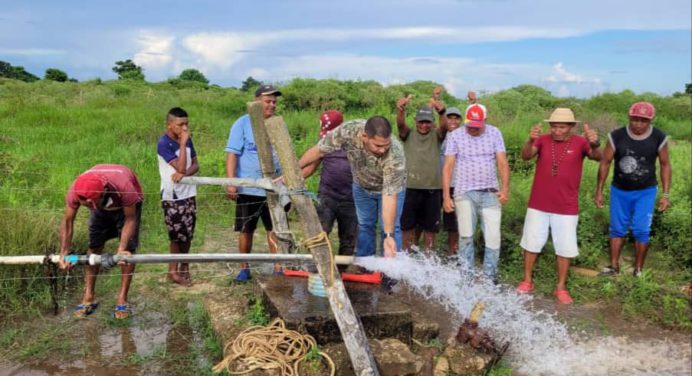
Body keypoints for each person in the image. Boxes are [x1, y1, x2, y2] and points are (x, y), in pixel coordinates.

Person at [516, 108, 601, 304]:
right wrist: (530, 140)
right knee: (531, 242)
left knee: (565, 247)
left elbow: (598, 157)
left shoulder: (580, 142)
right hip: (538, 203)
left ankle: (561, 287)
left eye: (562, 127)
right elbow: (526, 156)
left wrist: (595, 142)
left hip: (566, 205)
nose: (557, 130)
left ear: (571, 127)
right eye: (554, 126)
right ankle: (527, 280)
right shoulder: (542, 140)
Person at [299, 116, 406, 258]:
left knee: (391, 229)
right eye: (378, 146)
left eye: (386, 145)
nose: (382, 150)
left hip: (388, 189)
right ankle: (365, 265)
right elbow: (319, 150)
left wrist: (388, 235)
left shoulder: (395, 154)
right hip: (362, 186)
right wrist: (294, 169)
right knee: (365, 225)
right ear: (365, 136)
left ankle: (391, 272)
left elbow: (389, 197)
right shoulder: (348, 131)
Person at [595, 101, 671, 277]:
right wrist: (599, 190)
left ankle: (638, 270)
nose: (638, 124)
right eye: (635, 119)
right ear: (629, 117)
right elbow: (605, 162)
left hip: (646, 191)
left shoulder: (659, 137)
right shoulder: (617, 136)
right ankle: (614, 267)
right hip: (619, 190)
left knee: (641, 230)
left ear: (651, 120)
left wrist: (665, 194)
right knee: (617, 228)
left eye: (643, 121)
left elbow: (665, 165)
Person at [59, 164, 144, 319]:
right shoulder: (75, 191)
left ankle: (122, 299)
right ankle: (89, 297)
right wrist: (63, 252)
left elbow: (130, 219)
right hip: (101, 209)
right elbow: (67, 221)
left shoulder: (123, 186)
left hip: (127, 207)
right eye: (86, 205)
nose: (90, 207)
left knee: (126, 254)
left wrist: (121, 249)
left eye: (92, 202)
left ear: (104, 191)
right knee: (94, 247)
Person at [442, 104, 510, 281]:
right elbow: (448, 166)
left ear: (485, 121)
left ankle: (490, 278)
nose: (473, 129)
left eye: (477, 126)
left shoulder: (495, 133)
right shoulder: (456, 135)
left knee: (493, 237)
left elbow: (502, 162)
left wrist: (505, 189)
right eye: (470, 125)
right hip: (464, 193)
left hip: (490, 192)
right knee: (465, 235)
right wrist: (446, 196)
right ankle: (466, 277)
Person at [225, 84, 282, 282]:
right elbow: (232, 154)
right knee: (246, 229)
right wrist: (232, 182)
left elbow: (284, 155)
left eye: (274, 101)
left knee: (274, 229)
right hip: (248, 187)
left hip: (273, 188)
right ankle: (244, 268)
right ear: (257, 101)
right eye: (268, 101)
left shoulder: (277, 124)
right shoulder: (242, 123)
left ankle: (278, 267)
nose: (272, 105)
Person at [301, 110, 357, 263]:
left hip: (351, 199)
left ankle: (342, 272)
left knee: (348, 238)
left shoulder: (355, 142)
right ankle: (318, 267)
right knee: (320, 233)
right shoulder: (325, 143)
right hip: (327, 196)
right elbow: (311, 166)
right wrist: (291, 178)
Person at [397, 97, 447, 254]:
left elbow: (444, 127)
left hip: (432, 189)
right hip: (410, 188)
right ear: (415, 120)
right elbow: (400, 125)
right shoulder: (408, 134)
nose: (424, 125)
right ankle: (406, 256)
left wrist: (442, 112)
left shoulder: (436, 135)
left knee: (430, 227)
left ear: (432, 122)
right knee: (407, 226)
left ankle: (429, 259)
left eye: (427, 122)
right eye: (421, 122)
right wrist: (401, 110)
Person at [157, 107, 199, 285]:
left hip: (189, 193)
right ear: (169, 125)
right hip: (172, 196)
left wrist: (186, 175)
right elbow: (179, 168)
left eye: (186, 124)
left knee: (188, 233)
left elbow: (195, 165)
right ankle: (173, 272)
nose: (184, 128)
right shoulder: (164, 143)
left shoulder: (188, 141)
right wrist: (182, 144)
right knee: (176, 235)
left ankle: (184, 266)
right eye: (180, 124)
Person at [440, 107, 463, 255]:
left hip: (457, 183)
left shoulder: (464, 135)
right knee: (429, 219)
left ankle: (453, 251)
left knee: (455, 221)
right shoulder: (440, 134)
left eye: (456, 118)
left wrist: (474, 102)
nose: (453, 121)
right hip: (439, 183)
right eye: (450, 117)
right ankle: (416, 247)